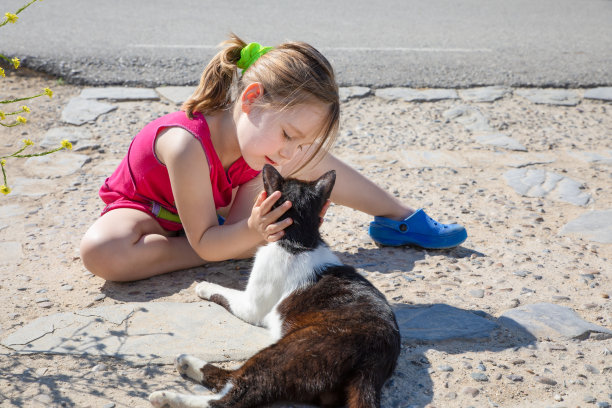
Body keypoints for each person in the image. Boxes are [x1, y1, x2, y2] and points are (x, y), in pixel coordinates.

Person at [80, 34, 467, 282]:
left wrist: (258, 226)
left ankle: (397, 217)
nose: (289, 149)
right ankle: (242, 241)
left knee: (298, 162)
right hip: (150, 209)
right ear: (250, 100)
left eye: (301, 141)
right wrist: (248, 235)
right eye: (288, 133)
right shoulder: (185, 144)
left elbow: (291, 151)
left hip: (219, 206)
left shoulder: (261, 149)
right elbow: (206, 245)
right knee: (102, 253)